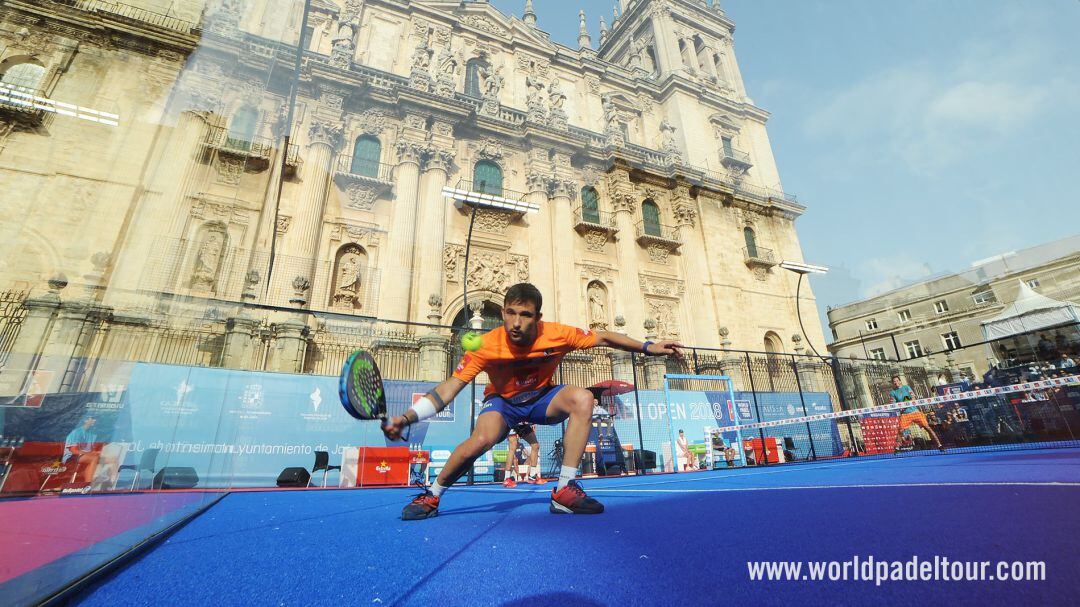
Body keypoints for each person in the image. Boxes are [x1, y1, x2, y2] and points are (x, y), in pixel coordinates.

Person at [382, 283, 682, 519]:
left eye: (525, 315)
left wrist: (648, 346)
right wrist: (407, 418)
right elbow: (448, 389)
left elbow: (603, 336)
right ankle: (432, 495)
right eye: (511, 312)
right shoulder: (486, 346)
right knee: (483, 439)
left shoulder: (557, 334)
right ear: (502, 313)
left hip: (541, 399)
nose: (516, 322)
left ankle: (564, 490)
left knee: (583, 398)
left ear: (537, 318)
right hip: (503, 402)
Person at [889, 375, 945, 453]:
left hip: (915, 412)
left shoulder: (906, 387)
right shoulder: (893, 392)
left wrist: (908, 403)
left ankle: (940, 445)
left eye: (897, 381)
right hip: (905, 415)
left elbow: (913, 397)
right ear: (892, 383)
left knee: (927, 427)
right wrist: (899, 407)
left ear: (900, 381)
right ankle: (897, 448)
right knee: (900, 431)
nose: (896, 382)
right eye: (894, 381)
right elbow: (893, 403)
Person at [502, 423, 546, 487]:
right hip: (513, 423)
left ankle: (532, 476)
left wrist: (532, 423)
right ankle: (507, 478)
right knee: (512, 448)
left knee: (535, 446)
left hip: (522, 425)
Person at [63, 416, 100, 483]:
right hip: (71, 457)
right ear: (85, 420)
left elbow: (89, 450)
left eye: (95, 419)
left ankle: (111, 486)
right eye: (92, 419)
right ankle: (88, 485)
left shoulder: (92, 434)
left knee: (112, 459)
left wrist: (97, 452)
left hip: (84, 455)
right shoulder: (76, 432)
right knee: (94, 458)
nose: (95, 421)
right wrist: (92, 453)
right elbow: (73, 451)